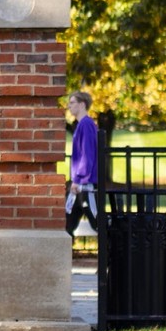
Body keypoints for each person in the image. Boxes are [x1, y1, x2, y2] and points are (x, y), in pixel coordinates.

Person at [66, 90, 99, 236]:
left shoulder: (86, 124)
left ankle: (112, 254)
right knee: (67, 224)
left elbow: (87, 155)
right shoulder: (82, 125)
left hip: (84, 185)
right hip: (79, 185)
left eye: (72, 103)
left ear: (82, 104)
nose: (69, 106)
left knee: (97, 223)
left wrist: (78, 179)